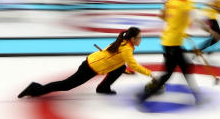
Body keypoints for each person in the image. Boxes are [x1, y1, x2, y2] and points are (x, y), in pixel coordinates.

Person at [18, 26, 153, 98]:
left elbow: (116, 60)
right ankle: (35, 89)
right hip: (90, 67)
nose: (141, 40)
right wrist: (149, 74)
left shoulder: (122, 42)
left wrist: (124, 70)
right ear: (133, 38)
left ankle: (103, 88)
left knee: (119, 67)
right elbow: (133, 64)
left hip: (92, 61)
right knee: (66, 85)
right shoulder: (127, 49)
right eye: (140, 38)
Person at [138, 0, 199, 103]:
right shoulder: (188, 3)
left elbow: (161, 16)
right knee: (168, 74)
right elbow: (191, 23)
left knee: (186, 68)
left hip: (168, 39)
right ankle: (145, 95)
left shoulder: (171, 1)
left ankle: (197, 96)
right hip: (173, 43)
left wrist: (174, 22)